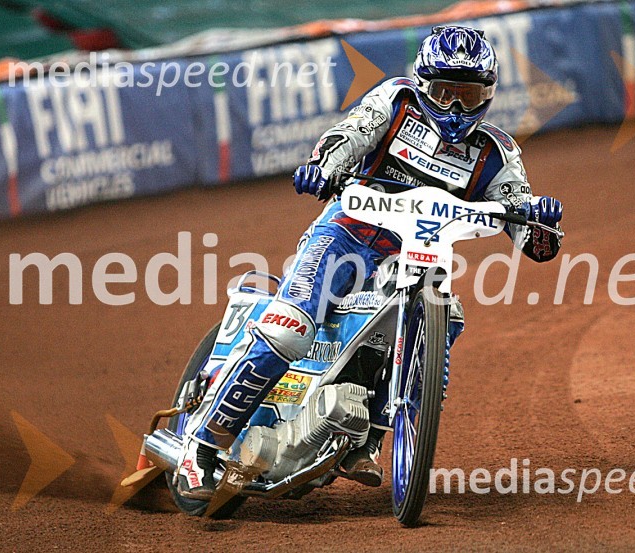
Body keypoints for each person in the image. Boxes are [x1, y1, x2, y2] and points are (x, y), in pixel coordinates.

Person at [176, 25, 563, 499]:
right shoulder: (396, 101)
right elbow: (351, 135)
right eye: (445, 92)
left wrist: (539, 221)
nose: (457, 108)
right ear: (424, 84)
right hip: (345, 236)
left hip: (415, 257)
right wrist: (327, 167)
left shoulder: (497, 152)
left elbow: (531, 235)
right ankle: (201, 447)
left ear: (488, 94)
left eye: (469, 94)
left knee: (442, 316)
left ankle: (370, 437)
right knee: (289, 327)